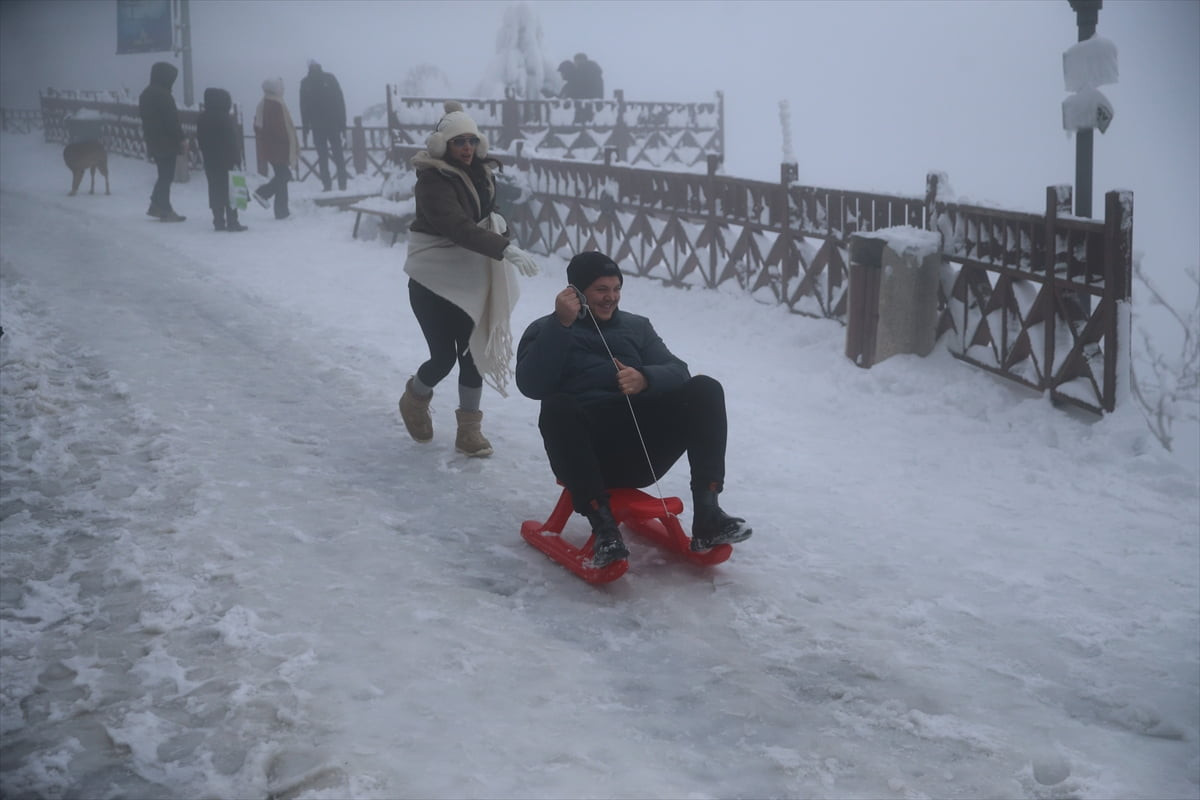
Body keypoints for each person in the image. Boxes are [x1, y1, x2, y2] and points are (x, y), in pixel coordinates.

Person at [515, 251, 752, 568]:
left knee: (705, 388)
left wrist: (645, 379)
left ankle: (708, 515)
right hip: (585, 457)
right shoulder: (546, 329)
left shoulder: (637, 328)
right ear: (576, 291)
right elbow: (531, 385)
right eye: (601, 289)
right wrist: (561, 325)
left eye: (616, 288)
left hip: (641, 452)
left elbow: (678, 370)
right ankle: (605, 531)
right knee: (557, 404)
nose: (610, 298)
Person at [399, 101, 540, 457]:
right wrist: (502, 248)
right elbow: (456, 226)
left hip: (470, 277)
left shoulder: (480, 173)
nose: (466, 148)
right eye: (458, 141)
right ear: (442, 144)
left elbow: (484, 212)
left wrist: (501, 226)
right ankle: (415, 398)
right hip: (432, 282)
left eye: (471, 141)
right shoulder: (432, 181)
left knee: (474, 353)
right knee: (443, 358)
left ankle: (469, 431)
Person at [138, 61, 186, 222]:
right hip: (167, 141)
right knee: (166, 176)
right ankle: (165, 209)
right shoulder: (164, 95)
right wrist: (181, 138)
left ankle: (156, 206)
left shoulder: (146, 93)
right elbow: (172, 121)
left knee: (163, 175)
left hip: (153, 140)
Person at [196, 87, 247, 232]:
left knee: (215, 189)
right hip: (227, 160)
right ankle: (233, 221)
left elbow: (201, 141)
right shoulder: (225, 118)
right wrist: (237, 159)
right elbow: (232, 142)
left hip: (211, 161)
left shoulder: (202, 118)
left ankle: (218, 221)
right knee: (231, 190)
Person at [252, 77, 299, 220]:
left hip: (270, 146)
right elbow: (280, 128)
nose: (283, 89)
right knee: (285, 175)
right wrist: (289, 143)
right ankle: (263, 193)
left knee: (281, 177)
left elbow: (257, 125)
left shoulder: (265, 102)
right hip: (278, 147)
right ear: (276, 88)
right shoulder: (275, 104)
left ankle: (282, 211)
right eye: (281, 87)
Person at [299, 60, 348, 192]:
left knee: (337, 155)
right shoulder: (306, 83)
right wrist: (305, 128)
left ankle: (341, 183)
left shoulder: (328, 78)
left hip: (331, 125)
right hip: (318, 126)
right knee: (323, 157)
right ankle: (328, 184)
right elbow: (303, 108)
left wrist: (342, 125)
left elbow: (339, 101)